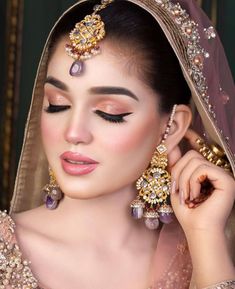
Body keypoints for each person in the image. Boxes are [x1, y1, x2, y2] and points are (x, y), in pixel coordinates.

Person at [0, 0, 235, 288]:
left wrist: (205, 234)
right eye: (57, 105)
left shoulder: (201, 256)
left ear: (171, 127)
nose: (74, 132)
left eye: (109, 113)